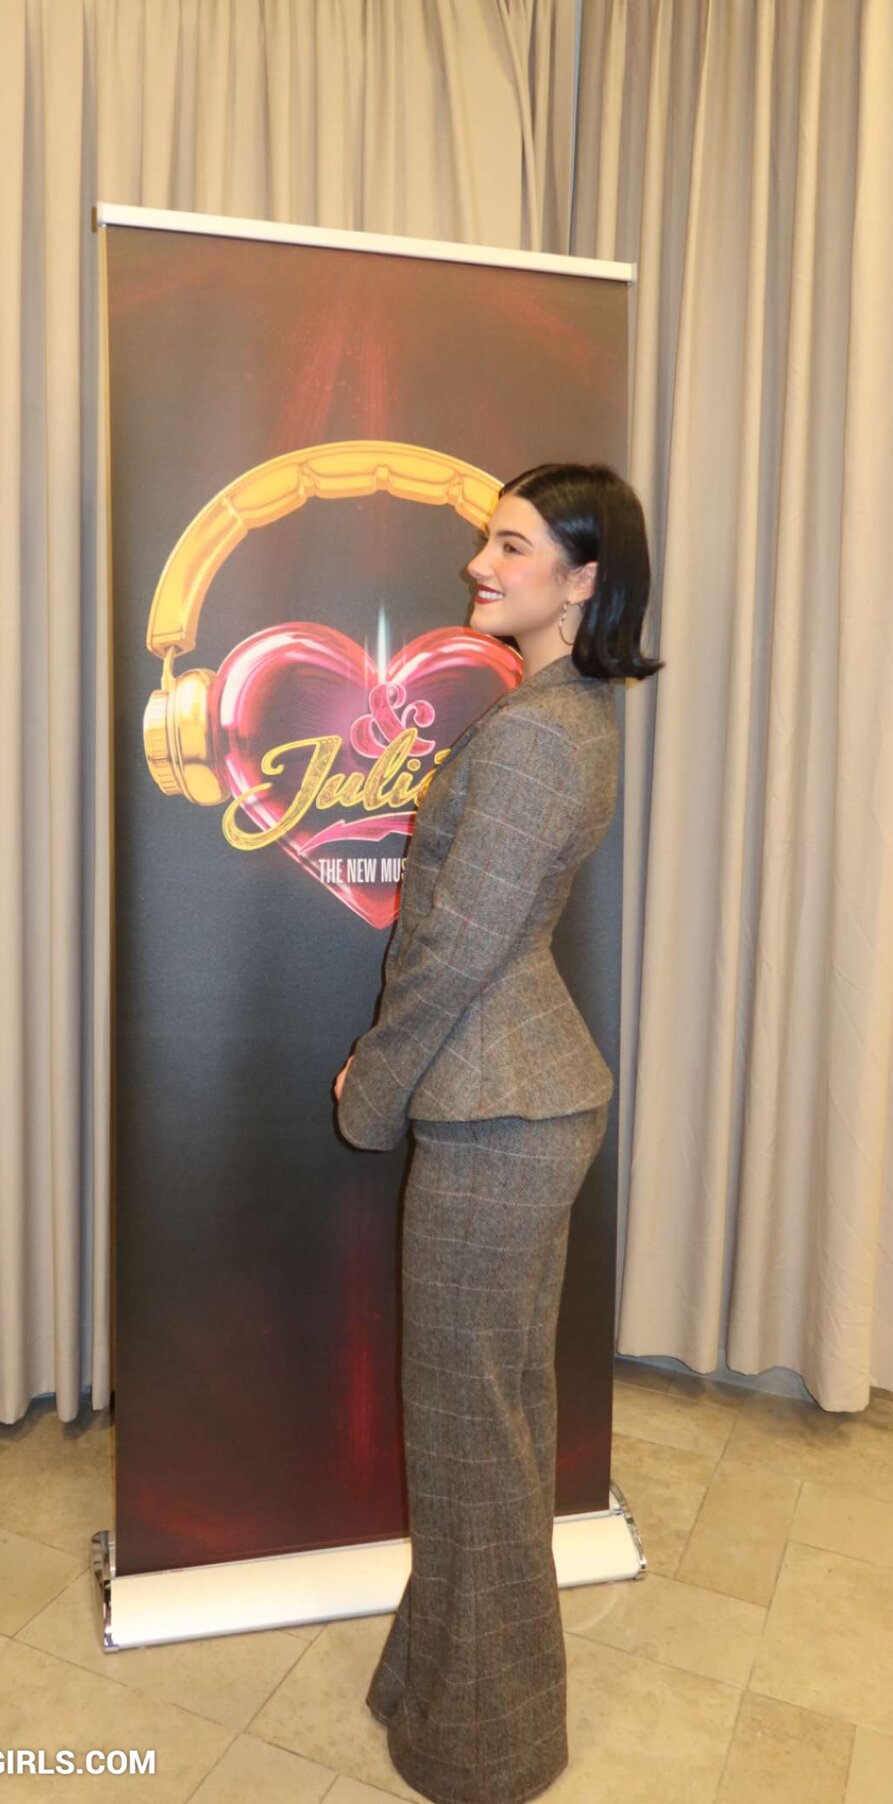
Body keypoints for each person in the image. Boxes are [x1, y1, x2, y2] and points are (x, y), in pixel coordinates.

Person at [333, 461, 663, 1804]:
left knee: (471, 1431)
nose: (482, 562)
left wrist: (370, 1088)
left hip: (496, 1105)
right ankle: (444, 1691)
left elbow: (453, 953)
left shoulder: (535, 736)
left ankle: (484, 1748)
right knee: (493, 1420)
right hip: (523, 1097)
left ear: (583, 580)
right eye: (488, 538)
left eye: (514, 545)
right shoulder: (568, 713)